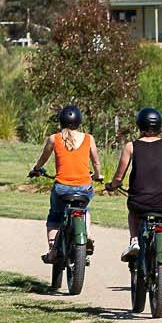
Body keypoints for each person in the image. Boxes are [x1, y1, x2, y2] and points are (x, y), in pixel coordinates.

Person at [108, 107, 162, 264]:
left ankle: (134, 239)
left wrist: (112, 186)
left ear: (139, 125)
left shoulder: (131, 146)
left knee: (132, 213)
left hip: (139, 203)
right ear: (159, 126)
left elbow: (118, 177)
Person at [28, 104, 102, 262]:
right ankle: (87, 235)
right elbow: (96, 163)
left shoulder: (54, 139)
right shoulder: (89, 139)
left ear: (61, 121)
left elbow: (43, 158)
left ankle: (52, 249)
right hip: (84, 187)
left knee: (55, 217)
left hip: (62, 188)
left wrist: (36, 169)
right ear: (79, 121)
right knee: (84, 209)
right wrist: (97, 175)